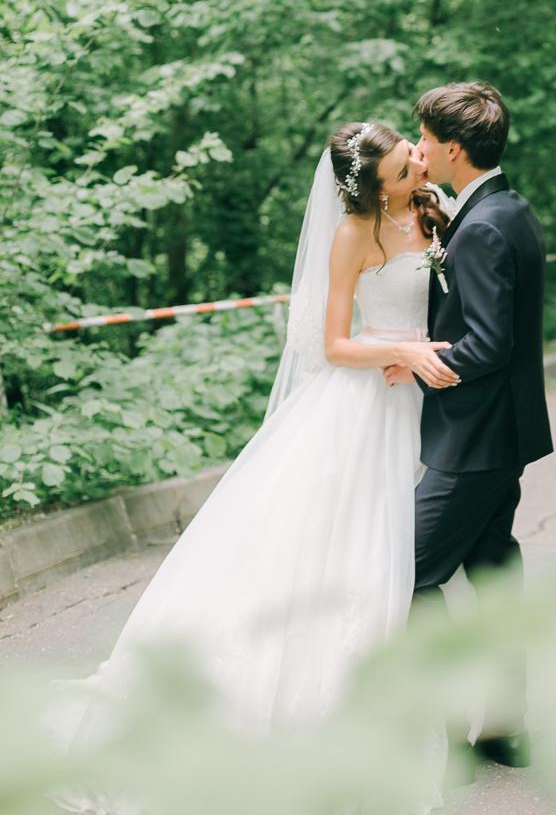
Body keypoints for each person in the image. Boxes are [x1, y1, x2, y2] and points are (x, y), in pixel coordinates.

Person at [56, 122, 457, 747]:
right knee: (358, 539)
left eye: (412, 155)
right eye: (404, 173)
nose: (418, 168)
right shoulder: (354, 233)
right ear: (378, 191)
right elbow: (334, 345)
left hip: (424, 388)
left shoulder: (437, 209)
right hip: (371, 396)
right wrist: (403, 350)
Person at [384, 81, 553, 771]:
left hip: (474, 439)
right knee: (492, 573)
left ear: (453, 148)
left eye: (424, 138)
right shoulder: (506, 208)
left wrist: (418, 362)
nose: (418, 148)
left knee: (407, 573)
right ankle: (505, 728)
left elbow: (487, 343)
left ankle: (449, 732)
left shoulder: (480, 227)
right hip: (503, 432)